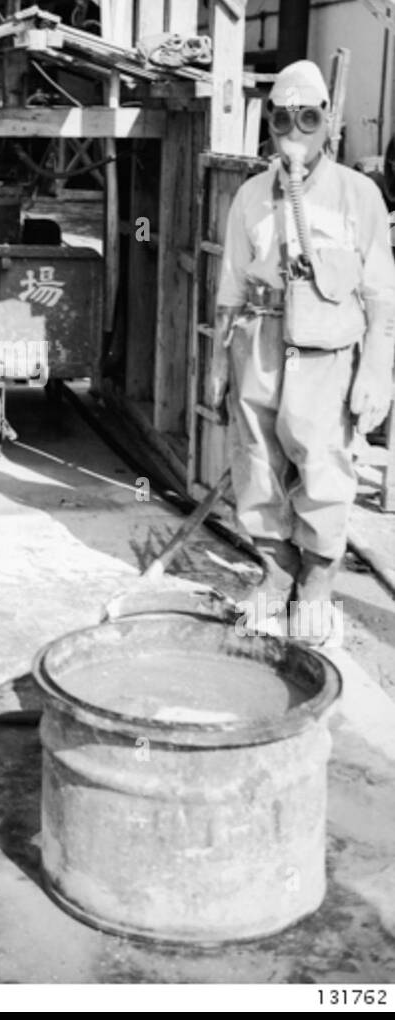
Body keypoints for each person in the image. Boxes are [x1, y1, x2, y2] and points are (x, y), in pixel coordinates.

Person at [208, 60, 395, 645]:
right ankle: (276, 574)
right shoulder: (250, 196)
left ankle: (315, 587)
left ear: (328, 122)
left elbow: (381, 293)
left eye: (308, 118)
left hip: (326, 352)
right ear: (269, 122)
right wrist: (218, 364)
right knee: (256, 464)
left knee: (323, 468)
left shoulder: (358, 195)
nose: (295, 131)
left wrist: (377, 370)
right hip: (259, 341)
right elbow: (230, 284)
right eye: (283, 118)